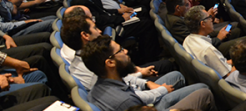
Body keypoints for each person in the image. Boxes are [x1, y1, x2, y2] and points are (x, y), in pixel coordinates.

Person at [81, 35, 218, 111]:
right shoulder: (125, 102)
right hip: (149, 107)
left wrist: (148, 83)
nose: (126, 52)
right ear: (110, 63)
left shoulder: (99, 86)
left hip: (142, 100)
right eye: (120, 51)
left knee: (176, 76)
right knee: (203, 91)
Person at [183, 5, 234, 77]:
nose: (211, 20)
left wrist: (233, 61)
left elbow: (217, 63)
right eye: (209, 17)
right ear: (203, 24)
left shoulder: (187, 39)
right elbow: (228, 75)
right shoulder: (208, 50)